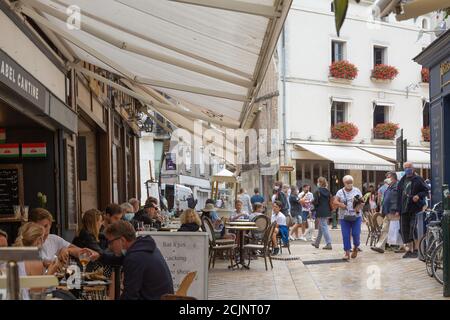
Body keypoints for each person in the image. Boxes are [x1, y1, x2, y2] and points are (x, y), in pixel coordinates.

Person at [102, 221, 174, 300]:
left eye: (111, 242)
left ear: (122, 240)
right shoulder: (144, 247)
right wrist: (99, 256)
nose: (109, 247)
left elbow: (130, 295)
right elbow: (121, 259)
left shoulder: (135, 258)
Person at [13, 222, 62, 300]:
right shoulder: (34, 261)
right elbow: (36, 296)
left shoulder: (13, 255)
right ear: (39, 240)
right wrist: (49, 274)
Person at [397, 162, 429, 259]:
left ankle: (416, 250)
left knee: (413, 229)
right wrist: (398, 209)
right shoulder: (402, 180)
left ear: (413, 168)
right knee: (405, 230)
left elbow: (426, 190)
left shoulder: (418, 179)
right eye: (406, 168)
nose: (407, 169)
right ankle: (409, 251)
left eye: (409, 167)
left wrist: (418, 196)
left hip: (414, 208)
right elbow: (399, 195)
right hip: (404, 209)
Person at [334, 175, 363, 260]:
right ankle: (347, 253)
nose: (350, 184)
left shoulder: (357, 190)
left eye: (351, 182)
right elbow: (335, 201)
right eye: (348, 182)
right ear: (344, 183)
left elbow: (362, 202)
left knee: (356, 234)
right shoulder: (340, 192)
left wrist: (359, 206)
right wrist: (340, 204)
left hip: (356, 216)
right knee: (346, 235)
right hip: (344, 217)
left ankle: (355, 247)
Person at [371, 172, 400, 253]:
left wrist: (398, 210)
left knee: (395, 230)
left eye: (388, 177)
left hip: (394, 211)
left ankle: (401, 246)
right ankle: (380, 246)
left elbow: (399, 199)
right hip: (388, 211)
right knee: (385, 229)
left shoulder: (397, 186)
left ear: (393, 178)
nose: (387, 178)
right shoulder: (389, 186)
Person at [312, 177, 332, 250]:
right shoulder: (328, 191)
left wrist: (312, 202)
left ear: (319, 183)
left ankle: (328, 243)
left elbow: (315, 202)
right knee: (321, 227)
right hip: (327, 210)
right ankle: (317, 243)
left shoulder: (317, 191)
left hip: (320, 210)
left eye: (318, 182)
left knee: (324, 226)